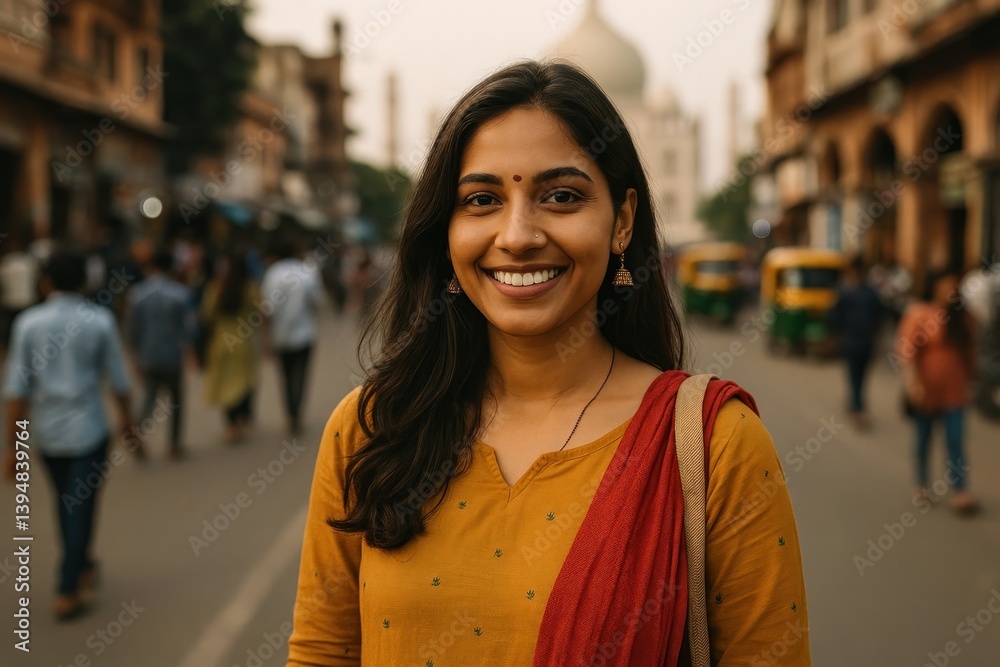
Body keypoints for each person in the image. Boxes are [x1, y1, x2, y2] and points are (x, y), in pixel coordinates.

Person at [286, 61, 810, 666]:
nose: (517, 235)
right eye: (482, 199)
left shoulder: (712, 447)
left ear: (622, 220)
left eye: (561, 197)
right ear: (446, 228)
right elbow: (323, 653)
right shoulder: (372, 429)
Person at [3, 249, 134, 620]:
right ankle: (68, 585)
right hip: (89, 430)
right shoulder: (99, 321)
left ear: (45, 282)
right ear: (84, 282)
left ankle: (79, 566)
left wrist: (13, 447)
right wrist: (129, 422)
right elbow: (119, 381)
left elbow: (17, 393)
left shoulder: (28, 323)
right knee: (80, 506)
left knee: (65, 502)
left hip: (47, 434)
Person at [896, 270, 979, 515]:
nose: (950, 291)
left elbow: (970, 354)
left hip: (955, 392)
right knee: (923, 439)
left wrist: (972, 383)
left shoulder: (962, 318)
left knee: (955, 440)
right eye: (946, 286)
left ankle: (960, 489)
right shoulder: (920, 314)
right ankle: (922, 484)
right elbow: (907, 352)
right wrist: (912, 385)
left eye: (954, 287)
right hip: (926, 392)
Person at [126, 247, 191, 459]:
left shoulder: (138, 294)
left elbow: (133, 329)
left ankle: (138, 434)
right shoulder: (180, 294)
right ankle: (174, 444)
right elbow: (187, 329)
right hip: (172, 355)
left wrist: (134, 356)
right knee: (176, 401)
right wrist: (190, 353)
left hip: (149, 355)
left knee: (149, 398)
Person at [261, 240, 324, 436]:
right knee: (301, 376)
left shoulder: (272, 273)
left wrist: (266, 338)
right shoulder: (308, 272)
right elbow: (317, 302)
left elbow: (266, 309)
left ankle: (290, 414)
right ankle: (296, 414)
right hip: (304, 335)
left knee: (286, 377)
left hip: (281, 336)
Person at [201, 251, 260, 443]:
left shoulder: (215, 287)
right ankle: (242, 420)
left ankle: (231, 424)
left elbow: (207, 315)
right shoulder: (249, 287)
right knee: (244, 382)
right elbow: (260, 310)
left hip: (221, 342)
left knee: (226, 384)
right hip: (243, 342)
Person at [828, 256, 883, 428]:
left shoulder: (868, 293)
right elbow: (835, 317)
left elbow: (879, 317)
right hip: (853, 342)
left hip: (863, 342)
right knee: (855, 376)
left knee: (860, 376)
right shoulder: (845, 292)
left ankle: (856, 404)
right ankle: (858, 408)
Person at [0, 235, 40, 351]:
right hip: (26, 303)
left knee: (8, 340)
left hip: (11, 304)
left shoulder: (5, 263)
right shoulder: (30, 262)